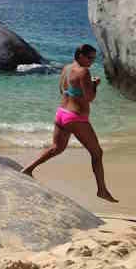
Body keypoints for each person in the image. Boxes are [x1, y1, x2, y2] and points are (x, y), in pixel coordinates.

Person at [22, 44, 117, 203]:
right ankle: (101, 190)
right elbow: (90, 98)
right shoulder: (84, 71)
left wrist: (83, 88)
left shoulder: (66, 68)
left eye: (94, 58)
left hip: (62, 114)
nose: (92, 61)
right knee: (97, 153)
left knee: (57, 148)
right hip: (76, 118)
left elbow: (63, 90)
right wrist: (95, 85)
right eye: (90, 58)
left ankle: (27, 169)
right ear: (80, 56)